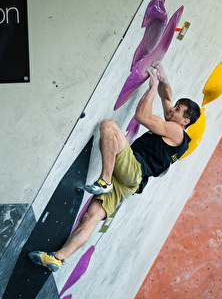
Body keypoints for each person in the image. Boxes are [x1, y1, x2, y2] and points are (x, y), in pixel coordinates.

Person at [28, 61, 200, 272]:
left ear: (185, 121)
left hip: (134, 169)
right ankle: (58, 258)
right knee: (91, 217)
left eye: (178, 110)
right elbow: (167, 98)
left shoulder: (176, 131)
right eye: (175, 107)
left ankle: (105, 180)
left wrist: (153, 87)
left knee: (108, 126)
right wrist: (163, 80)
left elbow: (142, 117)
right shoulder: (177, 130)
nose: (172, 109)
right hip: (129, 184)